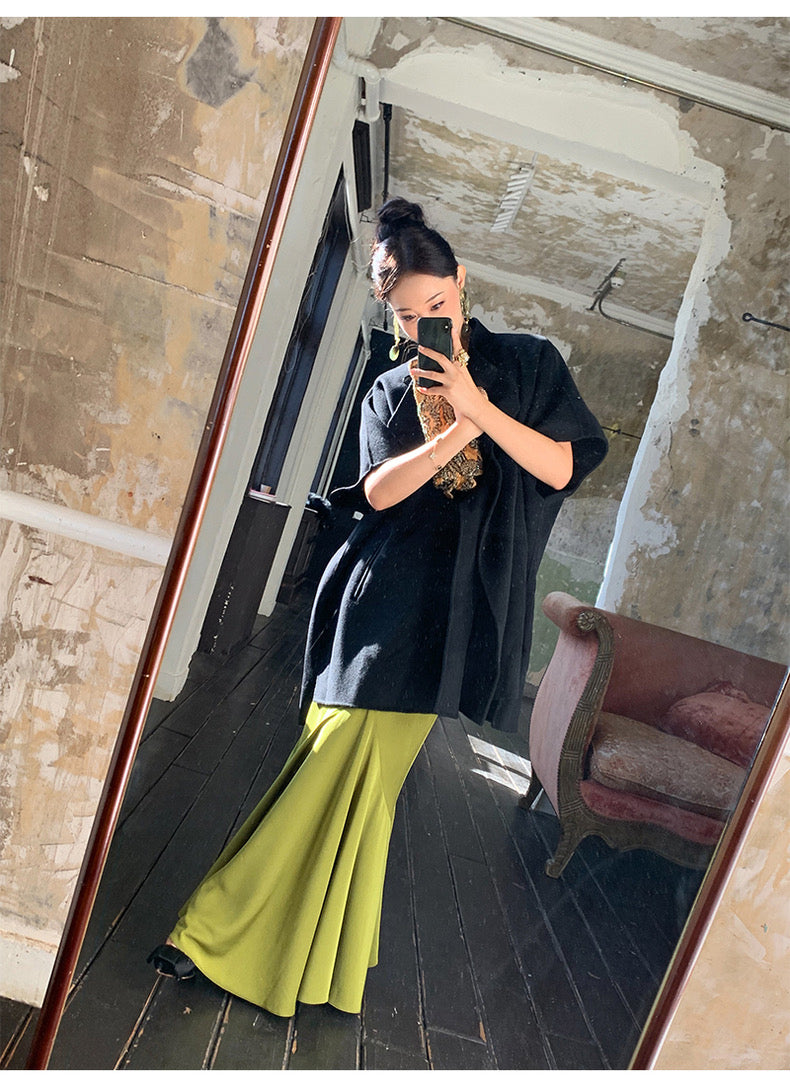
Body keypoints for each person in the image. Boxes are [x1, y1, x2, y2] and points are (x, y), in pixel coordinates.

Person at [147, 197, 607, 1019]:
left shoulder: (528, 364)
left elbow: (562, 468)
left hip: (455, 623)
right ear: (389, 313)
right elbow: (381, 493)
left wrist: (477, 407)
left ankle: (307, 960)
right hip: (381, 600)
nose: (425, 323)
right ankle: (214, 935)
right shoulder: (390, 388)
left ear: (461, 282)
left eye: (438, 303)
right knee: (332, 763)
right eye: (406, 314)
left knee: (367, 789)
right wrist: (453, 431)